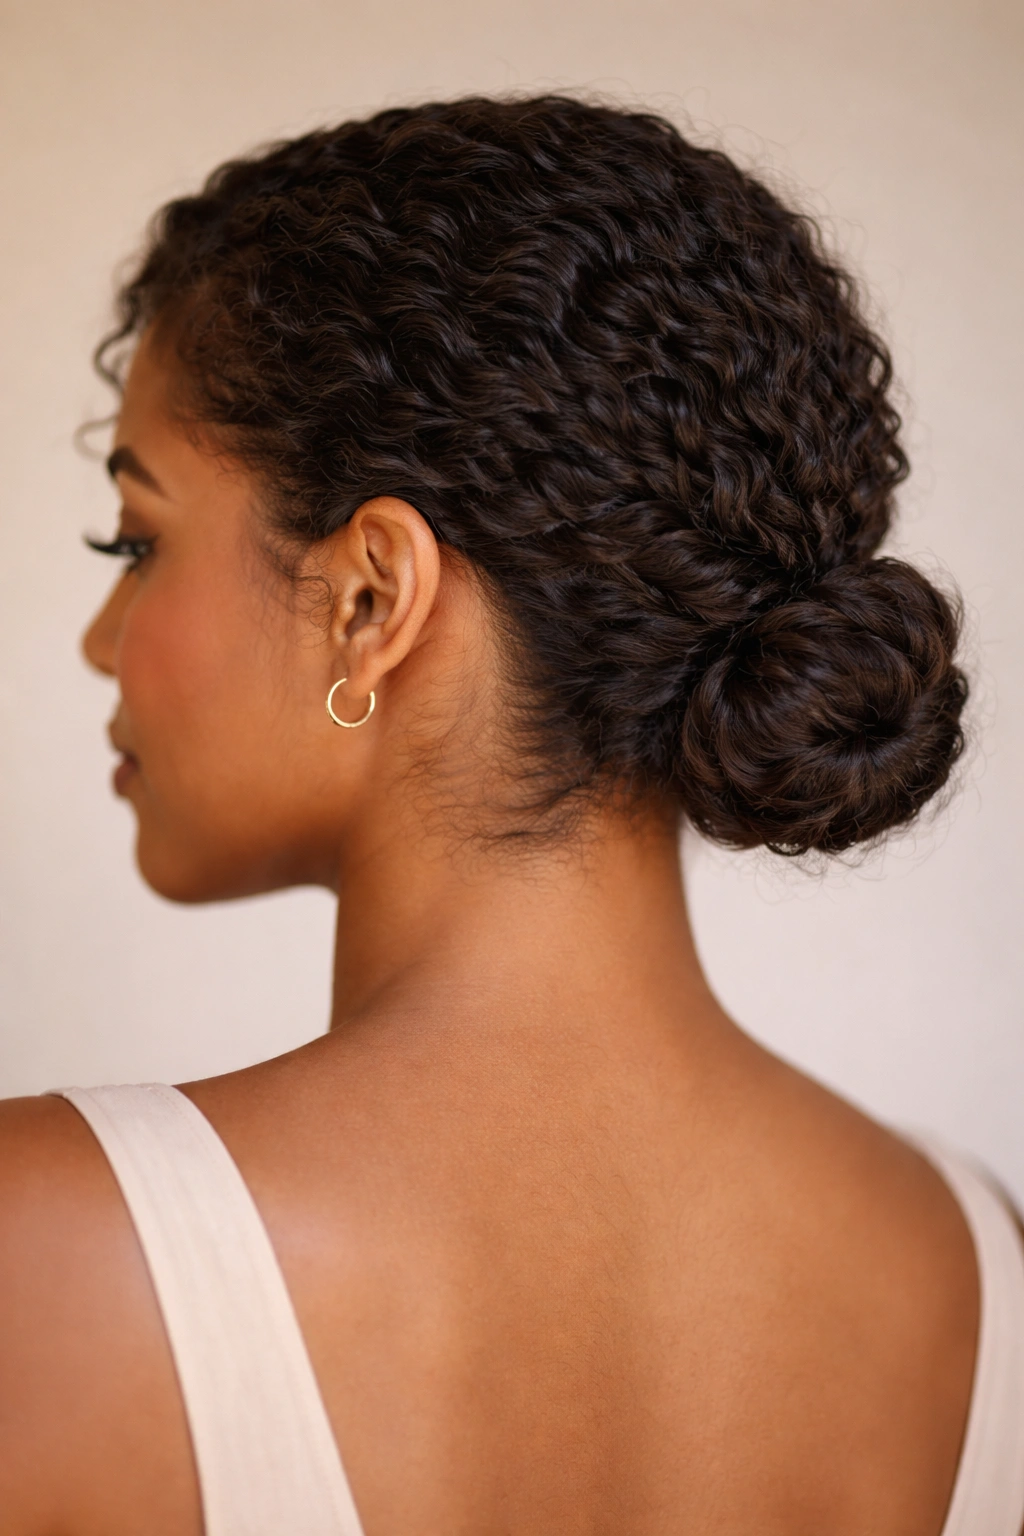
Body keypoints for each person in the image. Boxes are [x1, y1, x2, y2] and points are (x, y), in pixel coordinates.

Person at [0, 95, 1020, 1536]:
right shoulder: (980, 1272)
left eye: (140, 541)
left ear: (371, 597)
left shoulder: (39, 1254)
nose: (107, 639)